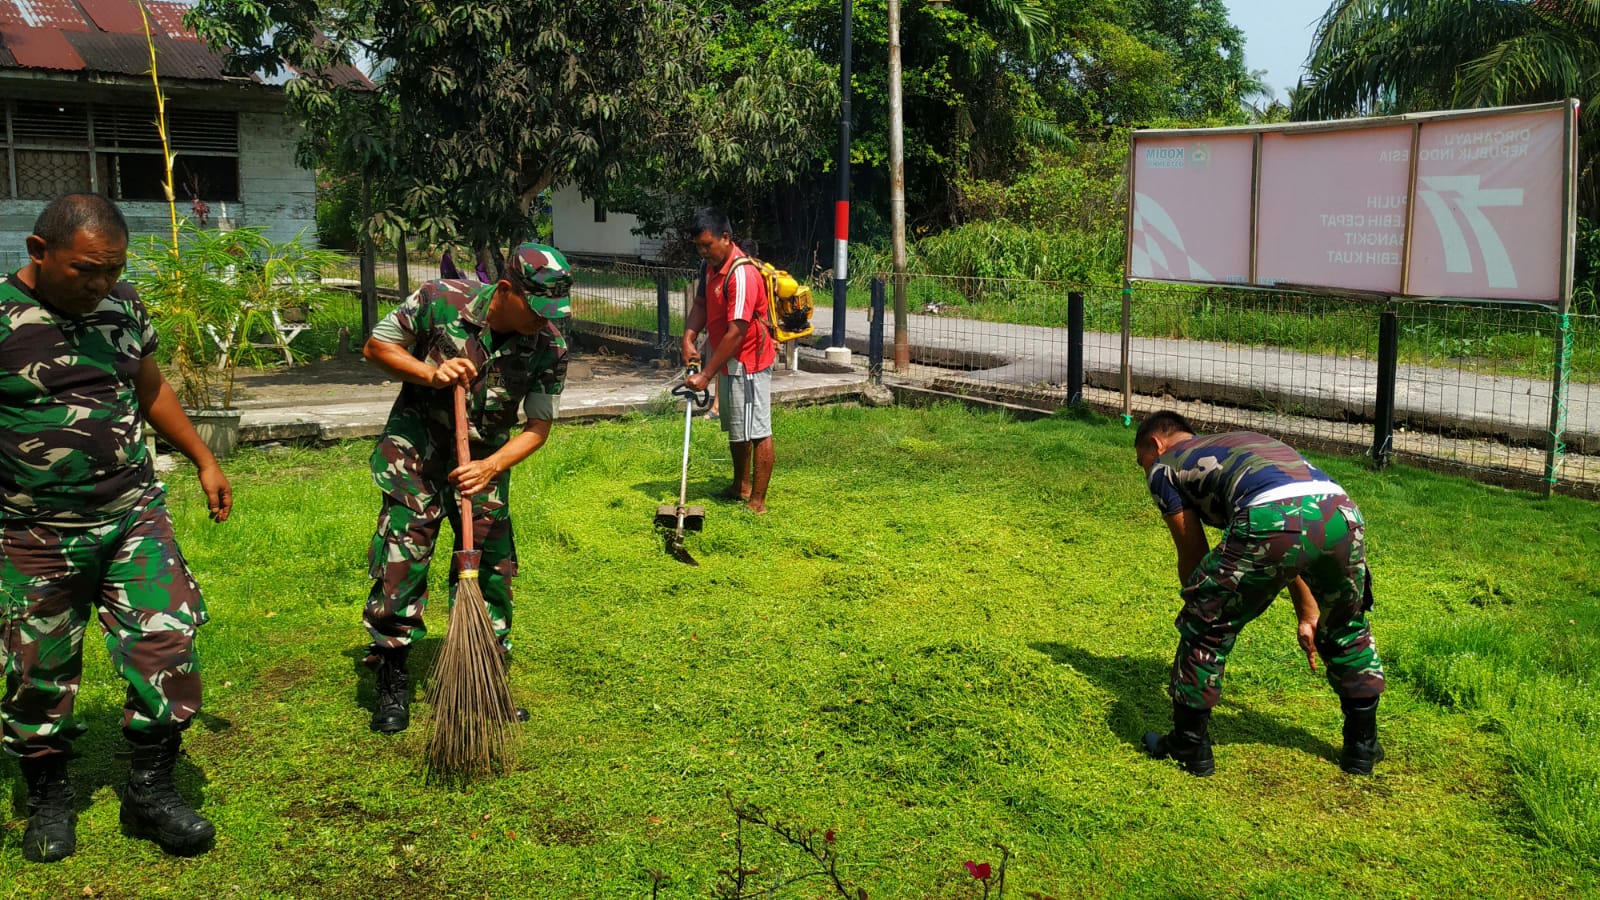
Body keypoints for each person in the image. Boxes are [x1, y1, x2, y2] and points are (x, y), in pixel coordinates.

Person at [0, 194, 233, 862]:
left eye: (113, 269)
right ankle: (48, 795)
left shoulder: (122, 305)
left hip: (133, 516)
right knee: (35, 672)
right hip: (31, 533)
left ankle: (150, 790)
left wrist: (203, 457)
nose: (100, 284)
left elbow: (148, 384)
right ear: (38, 253)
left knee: (168, 642)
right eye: (86, 270)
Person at [360, 243, 571, 733]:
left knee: (493, 565)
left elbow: (538, 426)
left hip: (484, 459)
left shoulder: (550, 345)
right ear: (505, 291)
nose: (546, 322)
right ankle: (392, 675)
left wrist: (491, 465)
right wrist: (431, 374)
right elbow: (377, 347)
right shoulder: (440, 300)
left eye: (553, 313)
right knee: (403, 556)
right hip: (415, 450)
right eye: (537, 310)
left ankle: (483, 676)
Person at [1134, 410, 1384, 777]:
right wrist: (1308, 613)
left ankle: (1188, 745)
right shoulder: (1239, 444)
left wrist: (1202, 602)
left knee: (1206, 624)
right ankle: (1362, 748)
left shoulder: (1164, 466)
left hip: (1271, 514)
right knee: (1346, 627)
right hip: (1340, 511)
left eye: (1142, 461)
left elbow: (1193, 552)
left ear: (1156, 444)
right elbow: (1294, 534)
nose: (1145, 469)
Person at [680, 208, 775, 513]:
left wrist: (705, 375)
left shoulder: (742, 273)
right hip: (727, 359)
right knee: (736, 425)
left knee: (757, 429)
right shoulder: (708, 267)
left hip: (749, 361)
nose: (703, 251)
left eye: (707, 245)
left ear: (725, 237)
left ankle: (757, 502)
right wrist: (688, 337)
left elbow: (737, 332)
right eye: (698, 246)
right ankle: (740, 487)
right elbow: (701, 303)